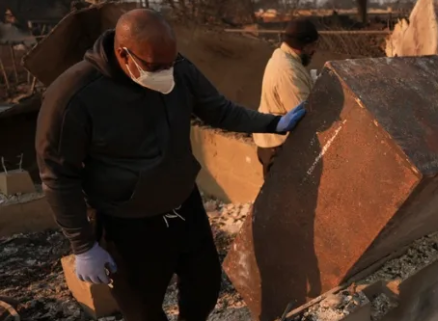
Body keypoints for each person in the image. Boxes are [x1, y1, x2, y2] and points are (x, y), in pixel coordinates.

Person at [35, 9, 306, 321]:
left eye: (171, 63)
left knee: (204, 289)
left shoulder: (177, 68)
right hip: (127, 223)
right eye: (156, 66)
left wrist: (273, 123)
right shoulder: (73, 97)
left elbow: (219, 110)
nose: (167, 72)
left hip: (182, 207)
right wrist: (83, 245)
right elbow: (58, 175)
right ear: (124, 55)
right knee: (144, 310)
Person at [252, 18, 319, 177]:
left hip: (276, 144)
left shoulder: (282, 56)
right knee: (284, 200)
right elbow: (304, 117)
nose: (314, 51)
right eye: (313, 46)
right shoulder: (288, 71)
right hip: (278, 149)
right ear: (304, 46)